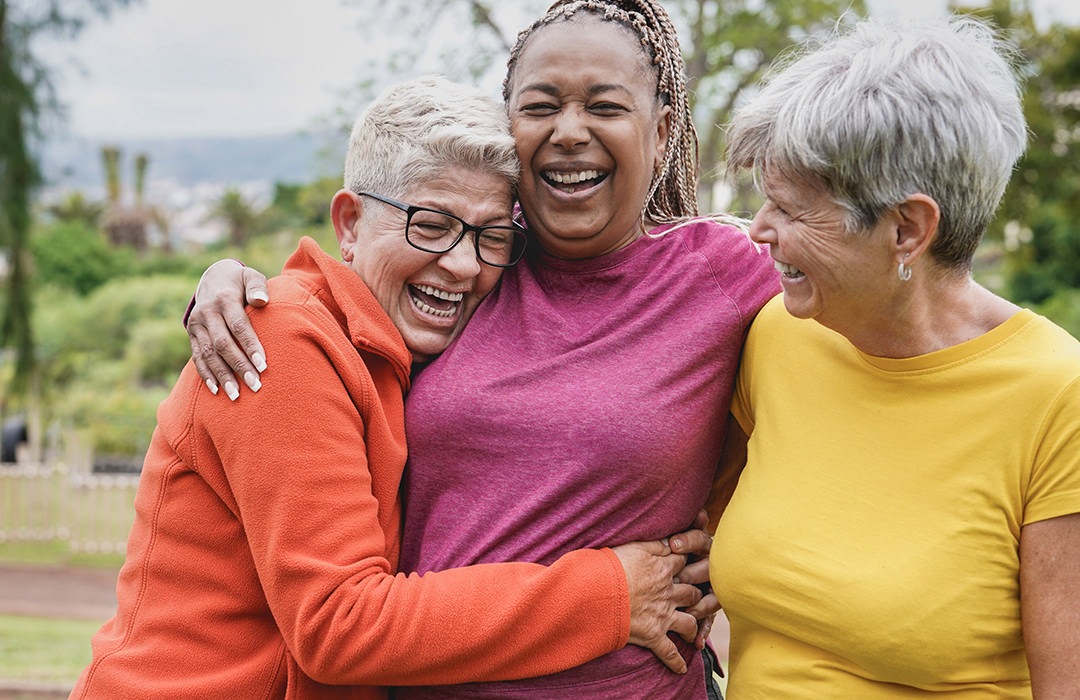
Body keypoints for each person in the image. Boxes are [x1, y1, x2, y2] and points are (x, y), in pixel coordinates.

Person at [185, 1, 780, 697]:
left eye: (605, 106)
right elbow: (344, 299)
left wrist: (735, 537)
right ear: (511, 125)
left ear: (663, 130)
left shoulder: (724, 275)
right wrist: (227, 285)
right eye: (541, 105)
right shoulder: (478, 257)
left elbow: (856, 325)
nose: (568, 131)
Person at [70, 75, 714, 700]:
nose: (461, 265)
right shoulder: (282, 342)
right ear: (348, 223)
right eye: (430, 226)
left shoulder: (408, 343)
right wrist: (605, 596)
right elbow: (337, 624)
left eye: (491, 237)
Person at [711, 15, 1080, 698]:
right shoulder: (777, 334)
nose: (761, 231)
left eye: (792, 211)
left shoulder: (1060, 400)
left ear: (907, 228)